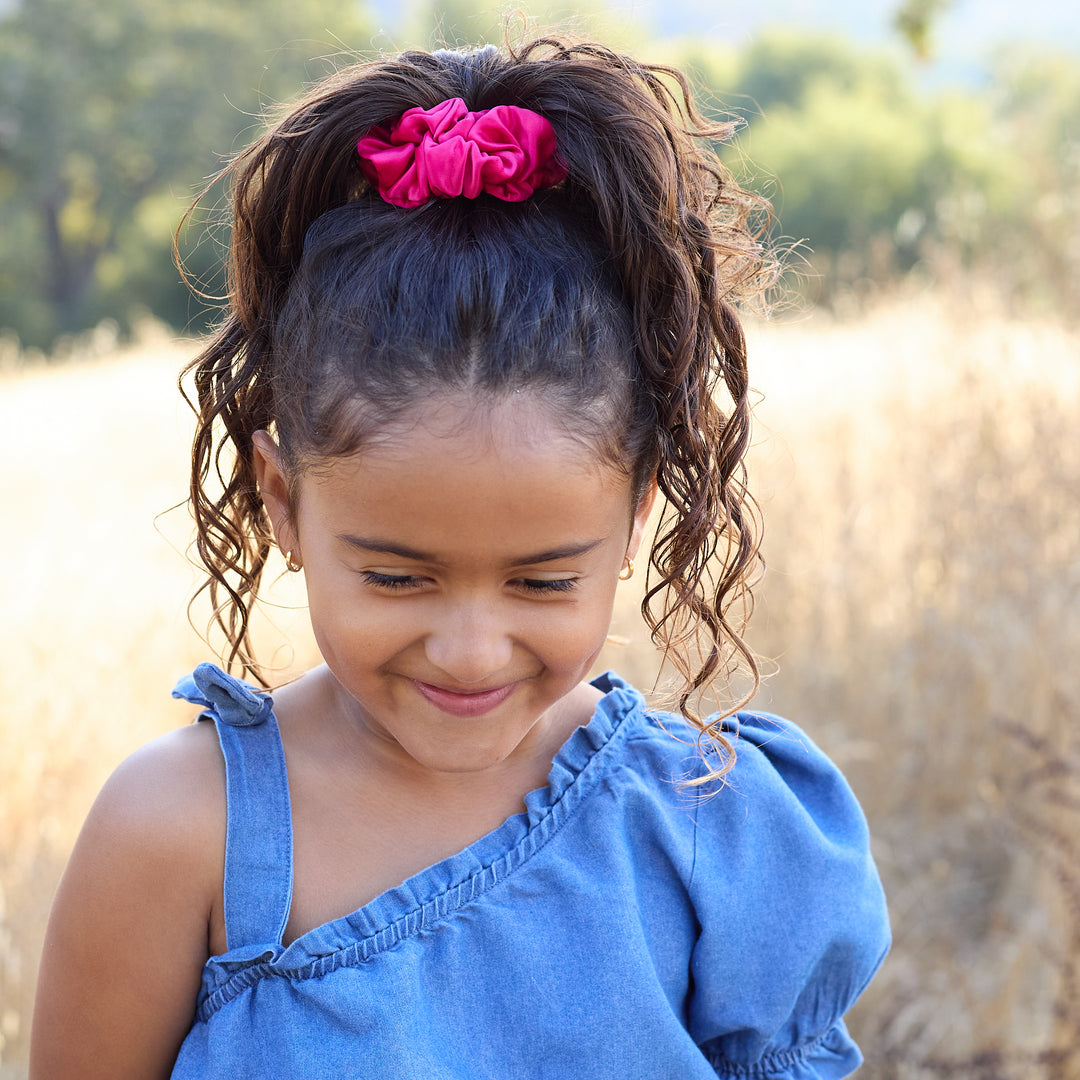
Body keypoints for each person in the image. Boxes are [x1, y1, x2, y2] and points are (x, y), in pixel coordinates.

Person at [30, 36, 889, 1079]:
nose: (472, 651)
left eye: (543, 580)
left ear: (636, 515)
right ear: (282, 503)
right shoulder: (177, 837)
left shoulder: (709, 830)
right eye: (396, 576)